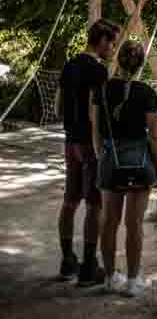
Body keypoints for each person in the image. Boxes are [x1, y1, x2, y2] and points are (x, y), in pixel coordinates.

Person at [91, 40, 157, 297]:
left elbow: (97, 132)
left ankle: (111, 278)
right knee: (134, 224)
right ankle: (133, 281)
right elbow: (155, 135)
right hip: (139, 162)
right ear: (141, 63)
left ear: (118, 60)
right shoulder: (146, 92)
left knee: (109, 221)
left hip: (111, 161)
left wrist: (104, 155)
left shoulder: (101, 90)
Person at [57, 19, 118, 285]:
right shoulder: (98, 71)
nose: (113, 48)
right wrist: (101, 146)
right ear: (102, 40)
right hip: (89, 145)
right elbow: (97, 116)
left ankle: (67, 260)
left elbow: (58, 107)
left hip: (70, 142)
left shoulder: (69, 65)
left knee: (69, 202)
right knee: (95, 205)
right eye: (112, 42)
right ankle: (89, 267)